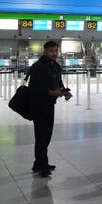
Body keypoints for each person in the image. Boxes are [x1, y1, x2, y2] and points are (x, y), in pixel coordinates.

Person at [28, 40, 72, 177]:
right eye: (51, 51)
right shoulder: (38, 67)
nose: (54, 53)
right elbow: (34, 88)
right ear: (45, 51)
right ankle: (43, 165)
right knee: (41, 135)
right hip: (38, 105)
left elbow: (58, 82)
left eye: (56, 51)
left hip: (49, 105)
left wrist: (64, 92)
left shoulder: (56, 66)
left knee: (46, 135)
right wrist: (52, 93)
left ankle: (38, 163)